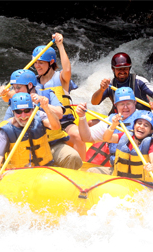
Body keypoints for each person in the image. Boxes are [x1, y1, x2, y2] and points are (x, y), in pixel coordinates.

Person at [0, 69, 83, 170]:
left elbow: (60, 114)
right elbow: (6, 127)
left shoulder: (47, 94)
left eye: (18, 87)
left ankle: (68, 182)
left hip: (53, 144)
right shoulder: (16, 104)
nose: (15, 91)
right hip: (25, 148)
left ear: (29, 86)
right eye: (14, 88)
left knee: (72, 157)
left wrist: (45, 105)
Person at [76, 87, 153, 175]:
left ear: (135, 102)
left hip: (144, 170)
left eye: (128, 103)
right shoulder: (111, 120)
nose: (125, 107)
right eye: (121, 104)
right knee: (91, 172)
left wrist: (145, 148)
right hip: (119, 169)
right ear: (115, 105)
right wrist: (82, 117)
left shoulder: (147, 119)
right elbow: (86, 137)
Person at [32, 32, 87, 161]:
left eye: (40, 63)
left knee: (78, 136)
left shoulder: (61, 78)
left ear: (51, 62)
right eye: (35, 62)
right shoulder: (33, 81)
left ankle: (81, 168)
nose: (37, 66)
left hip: (64, 121)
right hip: (44, 121)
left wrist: (60, 45)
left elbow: (67, 70)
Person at [0, 93, 60, 182]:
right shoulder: (6, 130)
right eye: (18, 112)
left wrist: (46, 108)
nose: (23, 116)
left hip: (45, 169)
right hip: (19, 174)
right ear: (13, 112)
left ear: (32, 109)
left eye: (27, 110)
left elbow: (56, 126)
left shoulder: (40, 116)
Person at [91, 52, 153, 120]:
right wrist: (101, 90)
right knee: (91, 123)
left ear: (129, 68)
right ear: (113, 69)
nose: (122, 72)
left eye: (125, 69)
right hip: (120, 119)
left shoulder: (139, 81)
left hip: (141, 119)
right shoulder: (110, 85)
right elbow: (94, 102)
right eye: (119, 69)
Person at [102, 110, 153, 185]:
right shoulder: (126, 136)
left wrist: (152, 166)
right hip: (120, 176)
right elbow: (107, 138)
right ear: (134, 125)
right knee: (92, 170)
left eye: (146, 125)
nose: (141, 126)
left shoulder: (151, 144)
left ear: (150, 131)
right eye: (139, 123)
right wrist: (113, 125)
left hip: (140, 182)